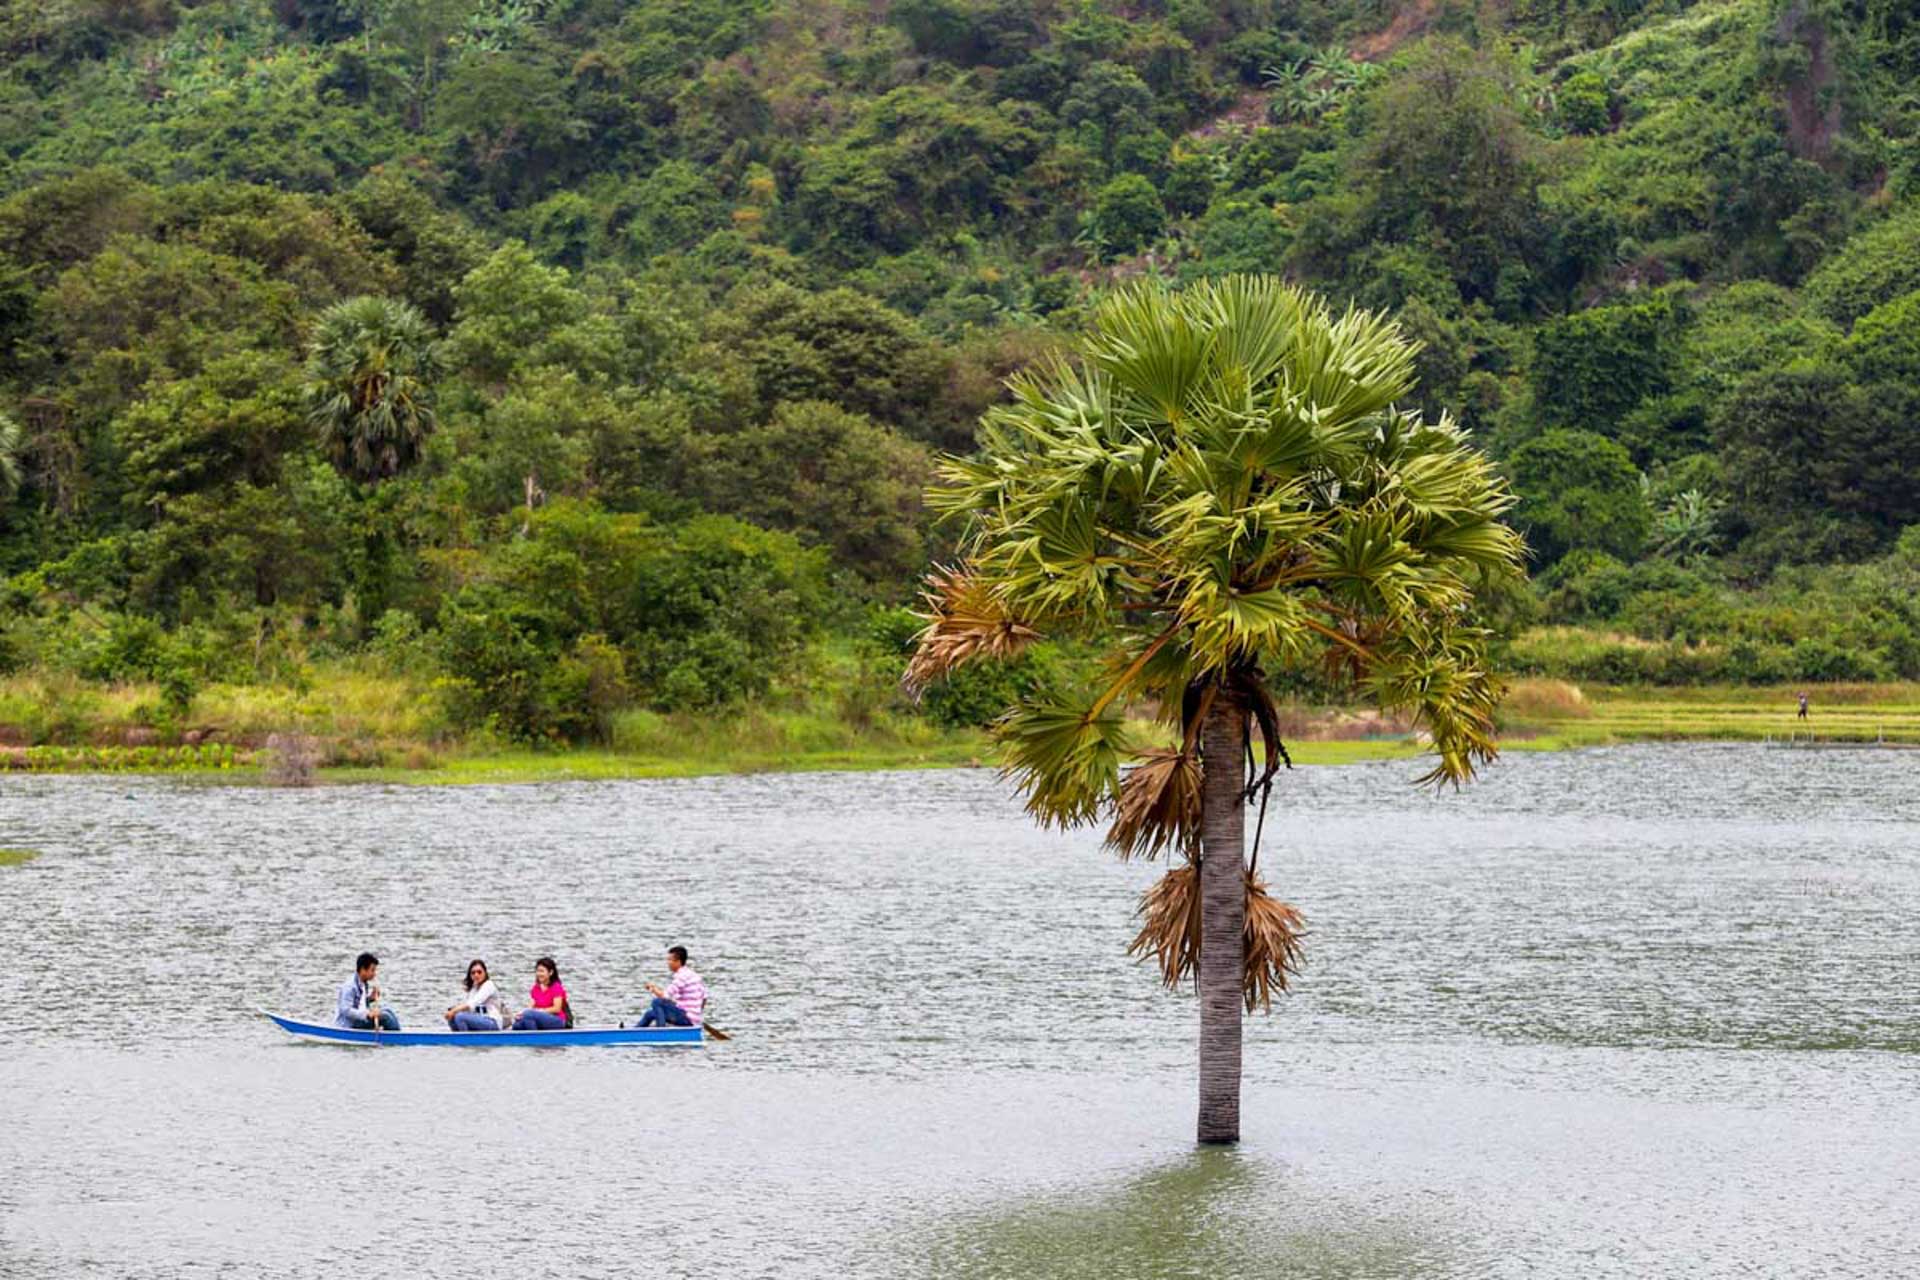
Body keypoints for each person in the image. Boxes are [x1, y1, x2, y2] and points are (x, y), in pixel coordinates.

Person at [637, 946, 706, 1028]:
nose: (668, 963)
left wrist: (652, 988)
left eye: (670, 960)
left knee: (657, 1002)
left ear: (678, 961)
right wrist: (696, 1016)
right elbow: (704, 998)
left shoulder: (681, 976)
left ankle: (661, 1031)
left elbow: (664, 996)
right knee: (650, 1014)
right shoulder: (694, 975)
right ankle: (633, 1033)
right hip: (692, 1018)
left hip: (687, 1018)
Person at [336, 952, 400, 1031]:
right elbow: (346, 1010)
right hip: (350, 1024)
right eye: (372, 970)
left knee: (388, 1010)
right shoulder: (350, 986)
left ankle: (394, 1034)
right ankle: (396, 1038)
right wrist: (367, 1014)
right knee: (386, 1017)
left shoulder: (363, 983)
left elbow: (359, 1004)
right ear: (363, 969)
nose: (374, 974)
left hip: (360, 1020)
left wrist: (371, 998)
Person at [444, 959, 508, 1032]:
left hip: (492, 1022)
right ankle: (457, 1039)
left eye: (479, 972)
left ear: (485, 973)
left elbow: (472, 1004)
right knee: (453, 1017)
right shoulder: (474, 988)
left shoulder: (489, 985)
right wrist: (452, 1012)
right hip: (479, 1020)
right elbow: (468, 1009)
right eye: (473, 973)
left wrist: (454, 1011)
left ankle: (466, 1040)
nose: (476, 975)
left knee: (460, 1017)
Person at [510, 957, 570, 1031]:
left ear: (550, 972)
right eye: (537, 971)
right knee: (518, 1024)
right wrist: (521, 1014)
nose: (539, 974)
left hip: (557, 1020)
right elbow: (530, 1007)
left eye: (542, 971)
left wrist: (540, 1011)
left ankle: (534, 1039)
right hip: (540, 1017)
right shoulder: (536, 988)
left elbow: (557, 1008)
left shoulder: (556, 987)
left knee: (529, 1015)